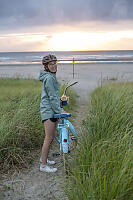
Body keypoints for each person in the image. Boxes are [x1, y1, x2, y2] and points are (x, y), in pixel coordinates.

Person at [39, 54, 65, 173]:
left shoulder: (51, 76)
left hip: (51, 110)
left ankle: (44, 159)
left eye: (55, 63)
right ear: (46, 66)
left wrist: (60, 102)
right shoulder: (49, 78)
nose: (54, 66)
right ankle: (43, 165)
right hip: (48, 111)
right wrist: (60, 110)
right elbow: (51, 97)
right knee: (48, 138)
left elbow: (54, 96)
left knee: (50, 138)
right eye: (51, 64)